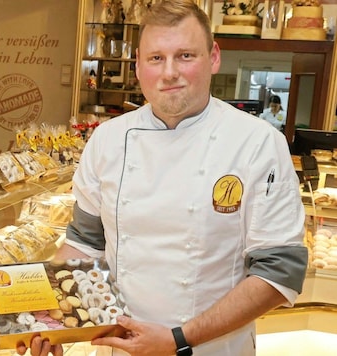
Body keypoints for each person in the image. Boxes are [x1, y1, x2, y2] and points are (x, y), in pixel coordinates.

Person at [17, 0, 308, 355]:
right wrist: (50, 321)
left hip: (212, 350)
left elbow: (279, 273)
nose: (169, 72)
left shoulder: (258, 143)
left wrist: (177, 339)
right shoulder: (108, 139)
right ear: (138, 64)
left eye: (185, 55)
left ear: (213, 57)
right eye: (156, 58)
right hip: (119, 348)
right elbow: (84, 244)